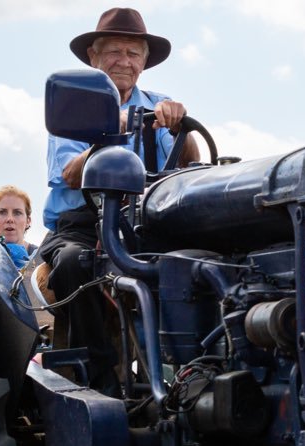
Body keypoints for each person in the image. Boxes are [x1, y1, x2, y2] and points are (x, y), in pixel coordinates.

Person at [41, 7, 198, 393]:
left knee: (200, 264)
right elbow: (69, 174)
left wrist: (182, 126)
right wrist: (113, 129)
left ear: (144, 62)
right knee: (73, 263)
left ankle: (190, 375)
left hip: (150, 223)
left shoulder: (161, 105)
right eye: (114, 51)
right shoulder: (77, 106)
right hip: (83, 222)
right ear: (93, 57)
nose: (123, 61)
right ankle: (97, 378)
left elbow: (192, 164)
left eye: (133, 53)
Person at [0, 185, 36, 269]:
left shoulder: (43, 259)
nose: (10, 219)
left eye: (17, 213)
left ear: (28, 221)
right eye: (2, 212)